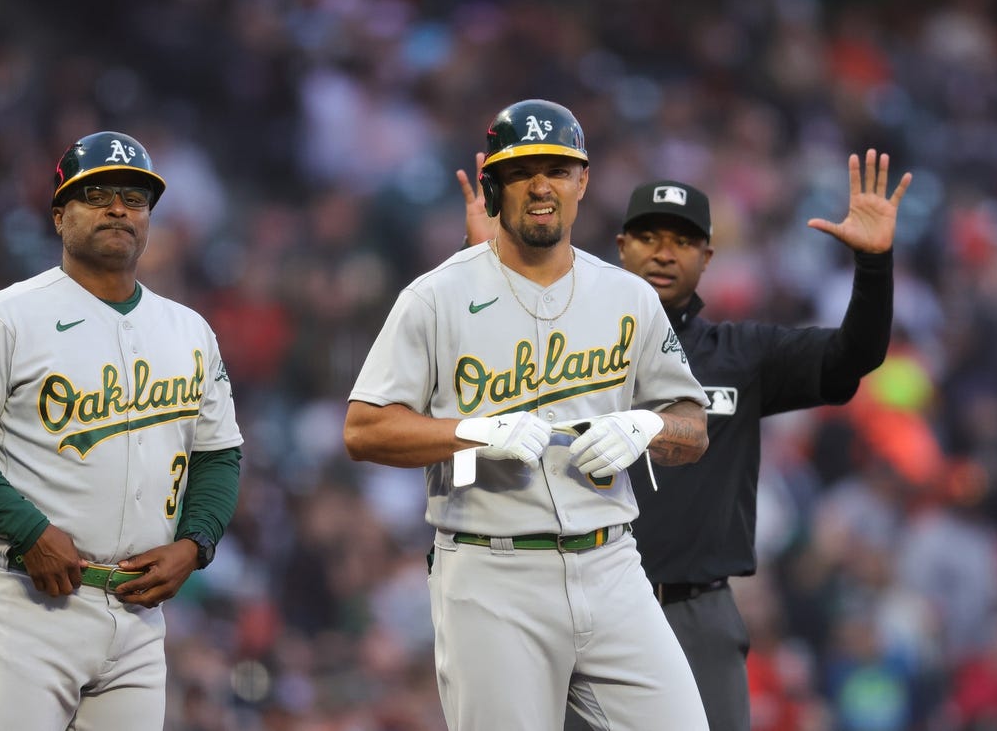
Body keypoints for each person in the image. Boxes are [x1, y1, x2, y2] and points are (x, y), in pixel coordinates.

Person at [460, 148, 912, 730]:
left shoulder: (743, 354)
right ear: (621, 247)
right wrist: (487, 266)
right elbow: (482, 380)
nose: (664, 252)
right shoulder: (568, 348)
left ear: (707, 258)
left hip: (695, 610)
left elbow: (854, 355)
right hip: (581, 604)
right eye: (648, 236)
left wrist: (874, 267)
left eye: (682, 240)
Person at [344, 98, 712, 731]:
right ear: (494, 182)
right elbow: (363, 428)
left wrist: (647, 426)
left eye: (558, 169)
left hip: (612, 562)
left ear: (583, 181)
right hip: (491, 571)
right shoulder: (437, 296)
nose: (542, 186)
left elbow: (693, 425)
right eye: (522, 171)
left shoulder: (630, 296)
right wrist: (472, 431)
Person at [0, 130, 244, 729]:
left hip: (138, 615)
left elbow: (219, 455)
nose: (120, 208)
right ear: (60, 215)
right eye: (97, 195)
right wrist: (27, 530)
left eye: (134, 197)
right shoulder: (5, 317)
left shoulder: (189, 330)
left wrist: (195, 544)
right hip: (25, 603)